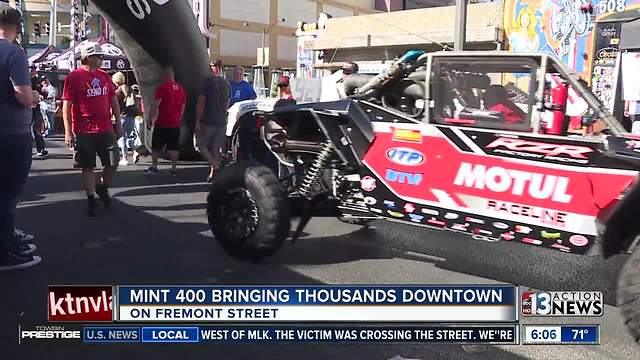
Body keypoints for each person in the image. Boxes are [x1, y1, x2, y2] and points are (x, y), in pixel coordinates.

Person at [0, 3, 41, 271]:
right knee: (8, 195)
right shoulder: (13, 53)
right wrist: (35, 97)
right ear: (17, 27)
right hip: (12, 134)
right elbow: (25, 97)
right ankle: (5, 252)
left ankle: (8, 236)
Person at [62, 44, 123, 217]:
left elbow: (113, 101)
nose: (101, 59)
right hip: (84, 130)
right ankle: (90, 199)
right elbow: (66, 107)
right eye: (98, 56)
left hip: (105, 128)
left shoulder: (104, 76)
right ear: (88, 57)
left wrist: (118, 123)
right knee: (87, 166)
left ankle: (102, 187)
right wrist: (68, 131)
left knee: (113, 161)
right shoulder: (74, 77)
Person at [145, 67, 186, 175]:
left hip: (162, 122)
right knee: (173, 146)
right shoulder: (181, 88)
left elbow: (155, 105)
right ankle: (173, 168)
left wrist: (150, 119)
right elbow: (183, 106)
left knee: (156, 146)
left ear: (165, 76)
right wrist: (179, 118)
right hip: (175, 123)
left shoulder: (162, 88)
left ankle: (154, 166)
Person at [196, 61, 231, 182]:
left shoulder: (206, 82)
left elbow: (201, 101)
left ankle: (215, 166)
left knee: (200, 145)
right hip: (222, 120)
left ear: (212, 68)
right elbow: (227, 104)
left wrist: (197, 120)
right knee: (215, 148)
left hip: (209, 119)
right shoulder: (226, 84)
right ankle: (213, 174)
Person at [113, 71, 136, 166]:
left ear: (116, 81)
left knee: (122, 138)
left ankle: (124, 158)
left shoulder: (117, 92)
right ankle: (135, 150)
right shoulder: (130, 89)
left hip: (122, 116)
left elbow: (114, 106)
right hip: (132, 116)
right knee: (129, 136)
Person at [32, 90, 48, 159]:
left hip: (35, 109)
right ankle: (26, 150)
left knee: (36, 129)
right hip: (26, 108)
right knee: (25, 129)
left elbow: (43, 95)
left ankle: (41, 149)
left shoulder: (36, 85)